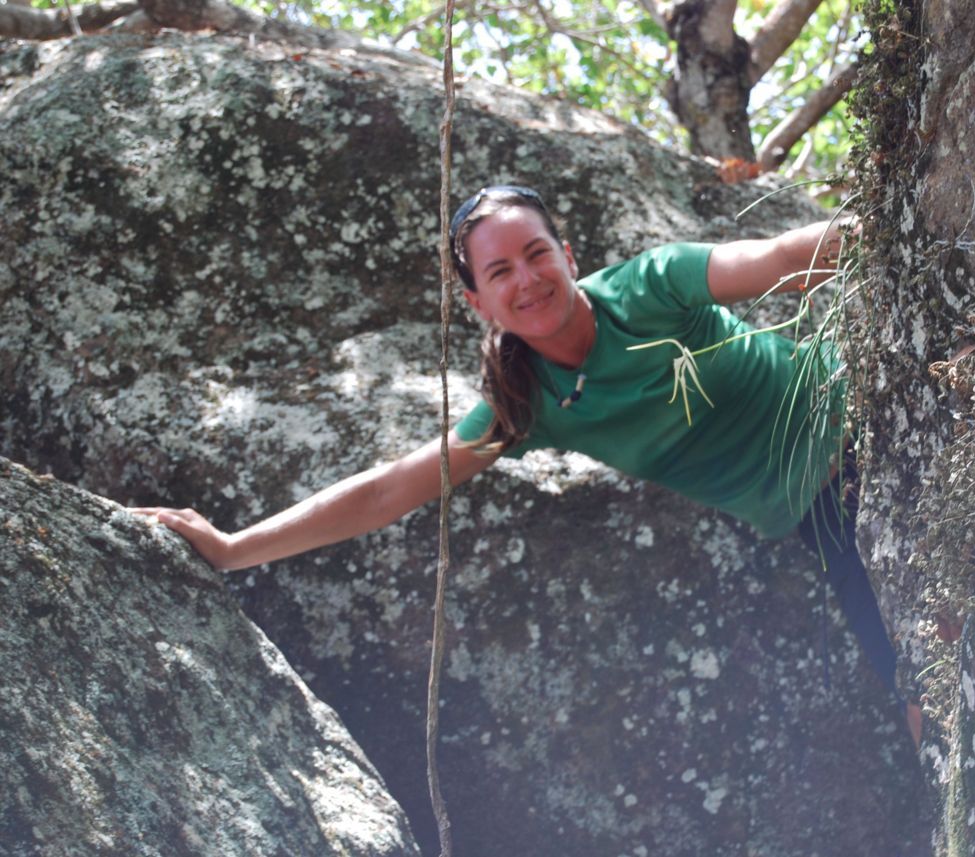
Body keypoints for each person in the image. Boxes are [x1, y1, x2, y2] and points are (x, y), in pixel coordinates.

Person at [132, 185, 922, 747]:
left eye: (536, 253)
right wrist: (233, 547)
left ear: (567, 254)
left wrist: (905, 200)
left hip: (877, 430)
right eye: (499, 270)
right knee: (920, 696)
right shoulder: (528, 404)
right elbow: (390, 489)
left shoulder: (645, 289)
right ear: (477, 300)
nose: (527, 277)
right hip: (828, 522)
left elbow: (781, 258)